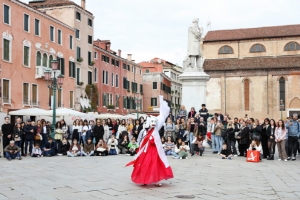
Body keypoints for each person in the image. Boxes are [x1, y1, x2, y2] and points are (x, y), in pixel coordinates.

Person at [126, 96, 174, 186]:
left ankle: (156, 180)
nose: (153, 123)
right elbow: (141, 140)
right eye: (152, 122)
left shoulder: (155, 131)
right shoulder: (144, 131)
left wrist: (161, 102)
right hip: (146, 151)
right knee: (144, 165)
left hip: (155, 151)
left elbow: (162, 117)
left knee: (155, 165)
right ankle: (143, 179)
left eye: (154, 122)